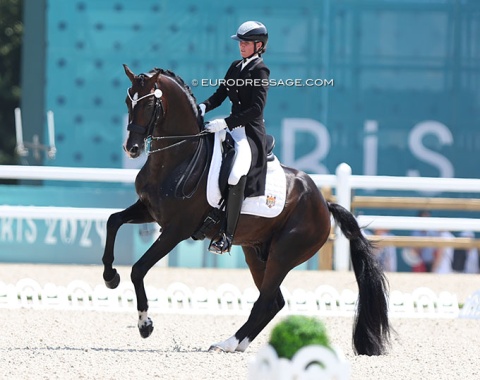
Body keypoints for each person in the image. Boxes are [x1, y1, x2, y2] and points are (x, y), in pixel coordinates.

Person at [199, 21, 270, 254]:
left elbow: (256, 110)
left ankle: (227, 236)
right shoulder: (235, 66)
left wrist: (226, 122)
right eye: (240, 42)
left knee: (237, 171)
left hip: (249, 132)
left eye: (246, 42)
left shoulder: (260, 70)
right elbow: (220, 95)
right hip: (231, 128)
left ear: (258, 45)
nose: (241, 46)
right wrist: (201, 107)